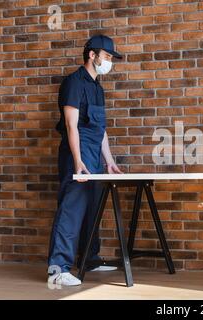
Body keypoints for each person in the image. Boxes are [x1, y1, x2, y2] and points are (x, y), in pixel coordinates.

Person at [47, 35, 124, 286]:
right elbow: (71, 125)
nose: (109, 62)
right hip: (75, 155)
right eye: (107, 56)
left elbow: (100, 129)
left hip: (93, 155)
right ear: (92, 55)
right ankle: (58, 269)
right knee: (72, 210)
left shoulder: (98, 88)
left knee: (91, 209)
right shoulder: (74, 83)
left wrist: (109, 161)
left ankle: (89, 259)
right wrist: (78, 161)